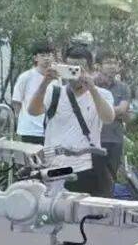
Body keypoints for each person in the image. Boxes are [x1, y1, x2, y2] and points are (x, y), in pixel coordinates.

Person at [26, 44, 114, 197]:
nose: (74, 74)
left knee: (82, 210)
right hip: (55, 167)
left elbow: (108, 118)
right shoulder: (54, 91)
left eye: (79, 68)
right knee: (53, 208)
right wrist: (45, 83)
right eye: (70, 68)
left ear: (90, 70)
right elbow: (33, 111)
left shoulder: (102, 94)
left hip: (86, 167)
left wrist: (92, 88)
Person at [93, 51, 131, 196]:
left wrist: (100, 110)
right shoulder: (91, 85)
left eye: (115, 63)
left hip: (115, 139)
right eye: (108, 62)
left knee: (110, 179)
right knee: (92, 178)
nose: (112, 66)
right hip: (94, 139)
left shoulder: (123, 87)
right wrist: (112, 111)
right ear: (98, 66)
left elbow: (123, 110)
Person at [11, 41, 54, 144]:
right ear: (35, 58)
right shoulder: (26, 76)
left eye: (49, 55)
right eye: (43, 55)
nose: (47, 58)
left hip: (50, 130)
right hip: (30, 130)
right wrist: (21, 120)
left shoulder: (56, 78)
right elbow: (17, 101)